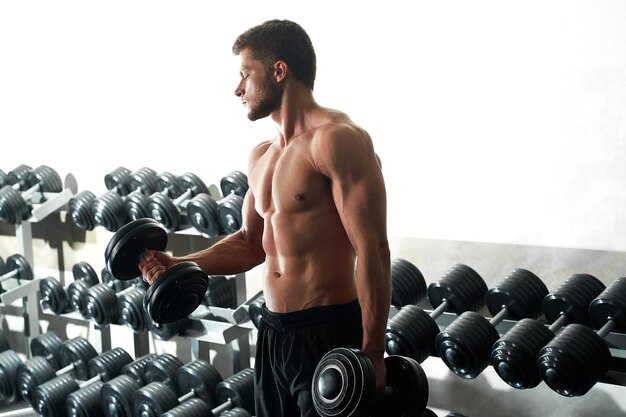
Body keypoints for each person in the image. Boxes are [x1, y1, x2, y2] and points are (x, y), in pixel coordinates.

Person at [138, 19, 391, 417]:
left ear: (279, 70)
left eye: (245, 74)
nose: (238, 88)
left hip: (328, 331)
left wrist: (373, 351)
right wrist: (180, 264)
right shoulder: (262, 156)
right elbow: (249, 244)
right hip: (273, 334)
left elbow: (373, 248)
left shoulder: (336, 140)